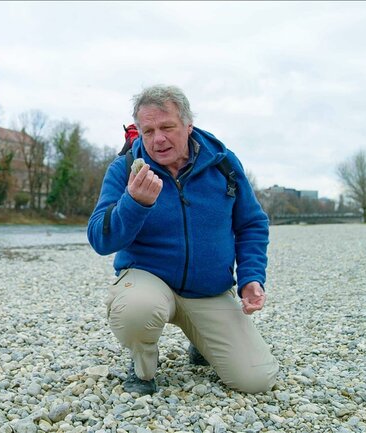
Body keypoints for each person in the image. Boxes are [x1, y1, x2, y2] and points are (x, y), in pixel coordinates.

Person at [87, 85, 278, 395]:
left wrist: (251, 278)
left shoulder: (223, 164)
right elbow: (99, 238)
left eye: (167, 127)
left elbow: (252, 224)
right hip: (148, 280)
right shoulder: (124, 169)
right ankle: (142, 369)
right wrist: (134, 204)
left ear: (188, 126)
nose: (157, 139)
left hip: (208, 289)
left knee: (256, 380)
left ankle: (200, 340)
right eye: (148, 131)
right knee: (137, 310)